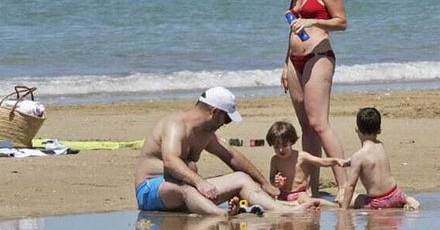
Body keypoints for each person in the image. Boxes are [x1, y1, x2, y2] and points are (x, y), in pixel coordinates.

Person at [134, 87, 318, 216]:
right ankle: (223, 216)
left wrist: (264, 183)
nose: (225, 123)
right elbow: (170, 161)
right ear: (215, 112)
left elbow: (232, 157)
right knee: (187, 189)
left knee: (241, 178)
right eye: (227, 119)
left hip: (187, 192)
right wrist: (200, 183)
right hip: (151, 190)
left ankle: (282, 209)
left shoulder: (207, 133)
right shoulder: (176, 125)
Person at [275, 0, 351, 196]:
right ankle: (312, 187)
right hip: (295, 60)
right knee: (306, 126)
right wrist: (286, 64)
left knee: (319, 123)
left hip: (319, 55)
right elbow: (292, 27)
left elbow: (342, 21)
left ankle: (344, 184)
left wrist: (312, 23)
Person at [343, 107, 421, 209]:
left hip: (378, 202)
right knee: (399, 198)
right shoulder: (380, 145)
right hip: (396, 194)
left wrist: (343, 209)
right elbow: (372, 159)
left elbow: (350, 185)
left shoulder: (358, 156)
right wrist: (351, 161)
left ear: (356, 129)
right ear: (379, 130)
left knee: (343, 199)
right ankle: (408, 200)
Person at [266, 120, 348, 201]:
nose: (280, 150)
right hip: (283, 194)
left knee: (308, 202)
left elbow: (321, 162)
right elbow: (272, 178)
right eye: (276, 147)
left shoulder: (301, 156)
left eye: (284, 145)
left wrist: (336, 161)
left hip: (300, 194)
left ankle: (334, 207)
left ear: (291, 142)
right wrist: (277, 183)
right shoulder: (275, 160)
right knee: (271, 203)